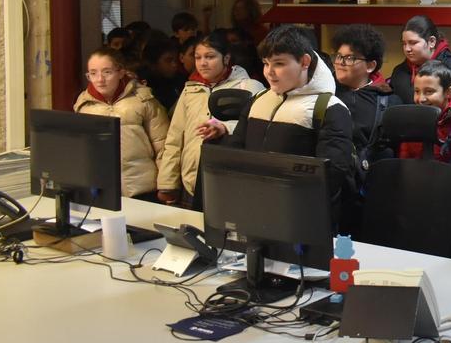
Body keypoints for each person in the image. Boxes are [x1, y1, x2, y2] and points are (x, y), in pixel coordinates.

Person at [207, 25, 357, 225]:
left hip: (302, 219)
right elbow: (237, 151)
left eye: (279, 63)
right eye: (266, 63)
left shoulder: (329, 108)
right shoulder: (258, 99)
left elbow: (331, 174)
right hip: (252, 210)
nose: (270, 72)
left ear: (304, 62)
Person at [156, 31, 264, 205]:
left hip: (230, 179)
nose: (203, 63)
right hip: (190, 180)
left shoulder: (249, 87)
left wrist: (225, 128)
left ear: (226, 58)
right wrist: (167, 184)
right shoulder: (190, 89)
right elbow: (175, 138)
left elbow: (257, 131)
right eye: (198, 57)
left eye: (210, 57)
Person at [75, 47, 169, 201]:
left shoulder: (143, 100)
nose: (100, 79)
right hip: (101, 187)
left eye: (107, 72)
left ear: (120, 72)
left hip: (143, 187)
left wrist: (167, 185)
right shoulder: (84, 105)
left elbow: (163, 146)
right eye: (93, 73)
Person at [330, 24, 402, 151]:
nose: (341, 63)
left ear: (370, 66)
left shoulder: (388, 102)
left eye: (350, 58)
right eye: (339, 56)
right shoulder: (326, 93)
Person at [388, 15, 451, 104]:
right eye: (404, 44)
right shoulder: (399, 72)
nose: (407, 49)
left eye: (413, 43)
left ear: (432, 42)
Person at [136, 36, 183, 113]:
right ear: (153, 63)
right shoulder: (142, 87)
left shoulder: (180, 80)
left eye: (175, 60)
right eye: (168, 60)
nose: (174, 64)